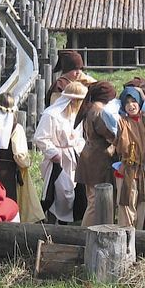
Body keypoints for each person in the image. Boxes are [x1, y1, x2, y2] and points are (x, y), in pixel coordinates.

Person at [102, 86, 145, 230]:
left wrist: (144, 101)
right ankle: (125, 243)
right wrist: (119, 100)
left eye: (134, 101)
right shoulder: (119, 123)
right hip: (126, 171)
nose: (131, 105)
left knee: (141, 209)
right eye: (127, 102)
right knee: (126, 208)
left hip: (143, 171)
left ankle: (135, 243)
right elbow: (106, 112)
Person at [0, 92, 44, 223]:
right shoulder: (16, 128)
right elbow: (19, 155)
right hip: (10, 171)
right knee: (12, 199)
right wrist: (26, 163)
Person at [34, 81, 87, 224]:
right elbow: (40, 137)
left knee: (72, 192)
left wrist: (80, 150)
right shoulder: (51, 115)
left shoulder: (77, 115)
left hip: (73, 158)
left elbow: (79, 136)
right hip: (57, 160)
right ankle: (52, 222)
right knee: (59, 193)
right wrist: (54, 154)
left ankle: (69, 224)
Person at [74, 81, 118, 227]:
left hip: (89, 156)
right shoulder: (98, 112)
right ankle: (85, 234)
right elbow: (110, 135)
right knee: (95, 201)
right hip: (97, 159)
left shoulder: (91, 108)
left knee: (92, 200)